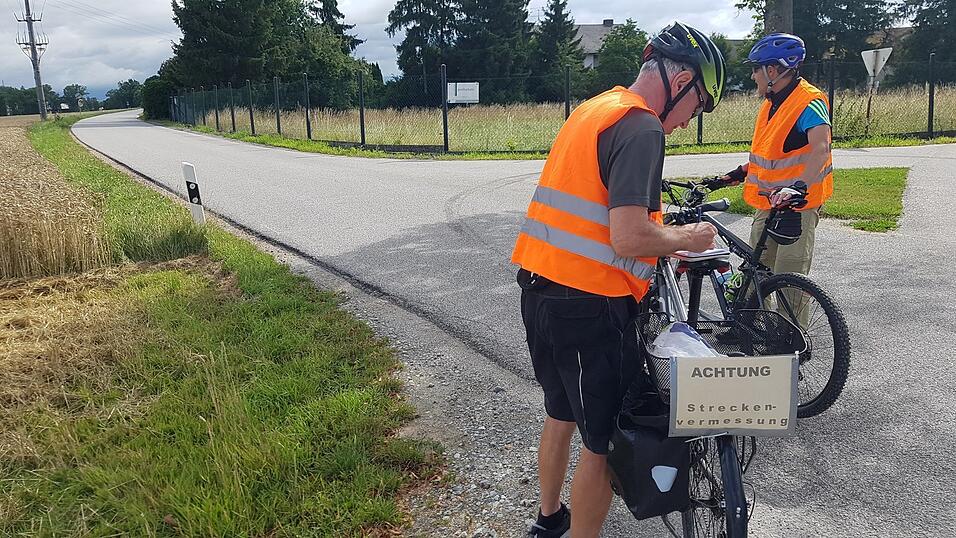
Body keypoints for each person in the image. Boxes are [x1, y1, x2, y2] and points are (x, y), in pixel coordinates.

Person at [511, 22, 726, 538]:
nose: (683, 124)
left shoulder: (594, 109)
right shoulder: (643, 126)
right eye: (696, 107)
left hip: (539, 289)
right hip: (588, 306)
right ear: (681, 83)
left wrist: (659, 244)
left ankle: (549, 520)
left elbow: (592, 213)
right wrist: (685, 239)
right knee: (600, 443)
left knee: (561, 413)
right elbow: (628, 236)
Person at [721, 33, 833, 278]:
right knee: (755, 279)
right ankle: (760, 319)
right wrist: (740, 172)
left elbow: (821, 148)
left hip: (796, 207)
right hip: (768, 203)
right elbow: (771, 155)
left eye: (755, 69)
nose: (752, 76)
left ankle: (788, 320)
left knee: (788, 282)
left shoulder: (809, 101)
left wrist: (799, 187)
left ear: (772, 71)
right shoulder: (771, 104)